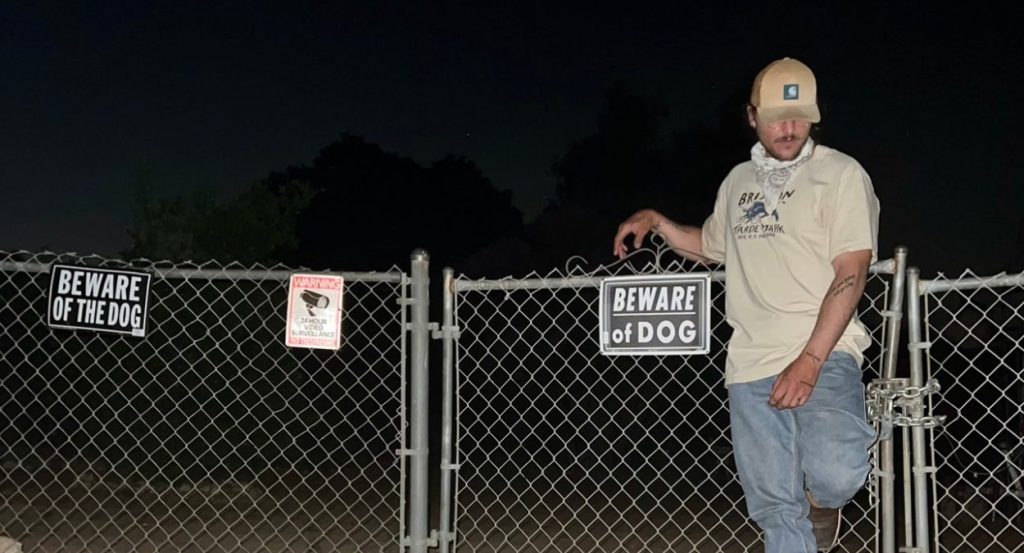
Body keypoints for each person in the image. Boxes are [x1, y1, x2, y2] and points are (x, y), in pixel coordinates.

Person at [612, 57, 879, 552]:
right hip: (751, 362)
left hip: (824, 353)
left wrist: (809, 361)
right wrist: (658, 221)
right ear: (752, 116)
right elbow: (710, 245)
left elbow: (852, 270)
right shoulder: (737, 182)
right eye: (776, 117)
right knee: (775, 508)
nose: (789, 129)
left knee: (839, 473)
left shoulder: (840, 174)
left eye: (799, 117)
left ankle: (821, 503)